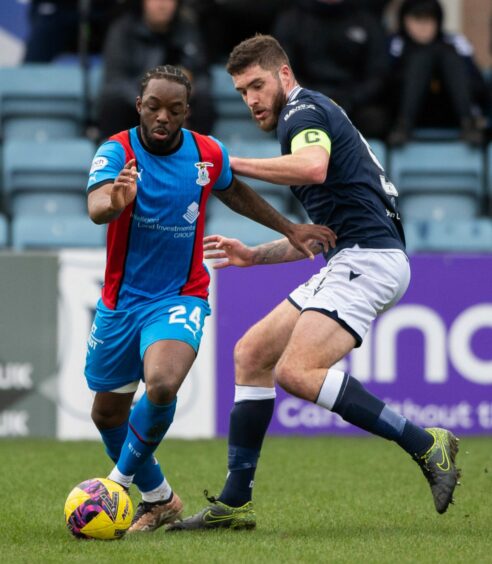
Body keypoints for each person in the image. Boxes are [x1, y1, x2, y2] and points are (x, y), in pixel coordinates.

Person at [167, 35, 461, 532]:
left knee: (298, 371)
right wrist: (253, 256)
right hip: (351, 255)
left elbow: (312, 167)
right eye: (241, 92)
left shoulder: (301, 113)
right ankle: (236, 503)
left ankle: (425, 443)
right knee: (251, 354)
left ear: (284, 75)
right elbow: (320, 237)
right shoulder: (302, 119)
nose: (251, 99)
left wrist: (226, 162)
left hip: (370, 260)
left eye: (257, 85)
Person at [85, 64, 336, 533]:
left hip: (181, 294)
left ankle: (115, 485)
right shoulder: (116, 150)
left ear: (187, 111)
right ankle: (159, 498)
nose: (163, 117)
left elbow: (236, 192)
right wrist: (115, 202)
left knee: (162, 382)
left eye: (174, 109)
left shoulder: (205, 152)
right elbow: (97, 203)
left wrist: (290, 228)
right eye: (154, 107)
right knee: (107, 414)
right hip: (121, 303)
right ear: (139, 105)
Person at [273, 0, 391, 139]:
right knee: (289, 120)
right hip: (305, 102)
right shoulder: (291, 21)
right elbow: (282, 71)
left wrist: (349, 99)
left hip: (354, 105)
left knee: (376, 121)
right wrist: (314, 99)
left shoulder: (367, 21)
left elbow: (378, 74)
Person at [98, 0, 215, 138]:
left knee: (204, 103)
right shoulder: (123, 29)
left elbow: (202, 75)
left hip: (180, 99)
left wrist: (186, 96)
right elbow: (115, 80)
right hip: (136, 101)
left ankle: (194, 151)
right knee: (113, 105)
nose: (162, 4)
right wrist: (151, 101)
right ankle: (122, 150)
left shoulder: (188, 29)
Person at [387, 0, 489, 146]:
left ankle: (468, 123)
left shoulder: (455, 43)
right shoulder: (394, 44)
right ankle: (403, 124)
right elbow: (384, 84)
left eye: (428, 20)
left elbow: (478, 86)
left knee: (447, 56)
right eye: (417, 19)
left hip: (450, 109)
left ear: (438, 21)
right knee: (421, 59)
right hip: (405, 111)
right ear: (404, 20)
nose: (422, 27)